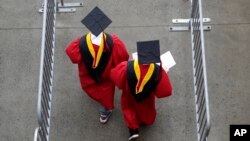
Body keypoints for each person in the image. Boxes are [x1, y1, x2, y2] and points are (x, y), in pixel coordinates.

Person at [65, 7, 129, 124]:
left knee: (94, 91)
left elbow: (72, 55)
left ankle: (101, 104)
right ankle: (105, 111)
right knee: (105, 96)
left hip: (88, 77)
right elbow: (123, 58)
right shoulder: (114, 43)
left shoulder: (80, 43)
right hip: (106, 79)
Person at [110, 40, 172, 140]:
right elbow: (166, 91)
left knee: (129, 108)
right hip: (147, 98)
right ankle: (146, 121)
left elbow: (114, 76)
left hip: (129, 95)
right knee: (146, 109)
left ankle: (133, 130)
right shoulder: (158, 72)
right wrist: (164, 72)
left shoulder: (126, 67)